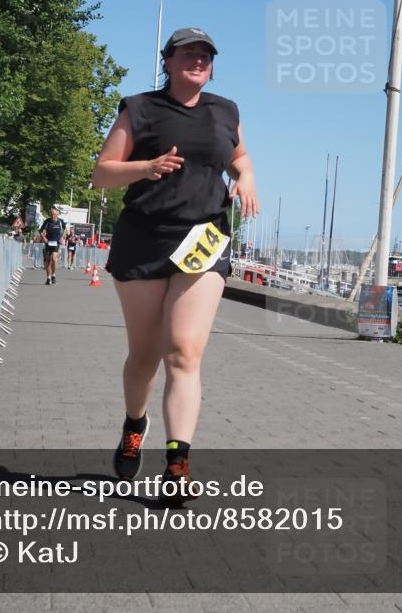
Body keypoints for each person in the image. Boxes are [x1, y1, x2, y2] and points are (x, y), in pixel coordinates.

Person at [92, 27, 258, 506]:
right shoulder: (139, 108)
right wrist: (145, 168)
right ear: (167, 61)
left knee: (183, 352)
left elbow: (240, 157)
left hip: (203, 240)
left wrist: (246, 178)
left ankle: (177, 464)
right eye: (188, 53)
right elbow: (102, 172)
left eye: (206, 54)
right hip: (144, 240)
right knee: (144, 356)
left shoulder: (225, 111)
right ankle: (134, 424)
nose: (198, 59)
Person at [38, 207, 66, 285]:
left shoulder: (60, 221)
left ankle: (53, 275)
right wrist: (44, 238)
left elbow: (65, 230)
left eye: (54, 214)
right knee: (48, 261)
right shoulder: (47, 221)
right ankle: (48, 278)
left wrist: (62, 237)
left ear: (57, 214)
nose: (52, 215)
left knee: (53, 259)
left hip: (56, 242)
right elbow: (40, 230)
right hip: (48, 243)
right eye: (51, 214)